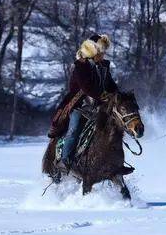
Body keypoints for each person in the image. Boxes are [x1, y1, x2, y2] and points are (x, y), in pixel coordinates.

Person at [48, 34, 117, 170]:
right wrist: (102, 96)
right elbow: (87, 88)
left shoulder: (104, 66)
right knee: (74, 129)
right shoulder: (81, 66)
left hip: (100, 105)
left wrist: (118, 95)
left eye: (104, 52)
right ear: (93, 52)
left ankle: (113, 160)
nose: (103, 55)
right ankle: (65, 160)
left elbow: (110, 84)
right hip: (80, 106)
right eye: (101, 52)